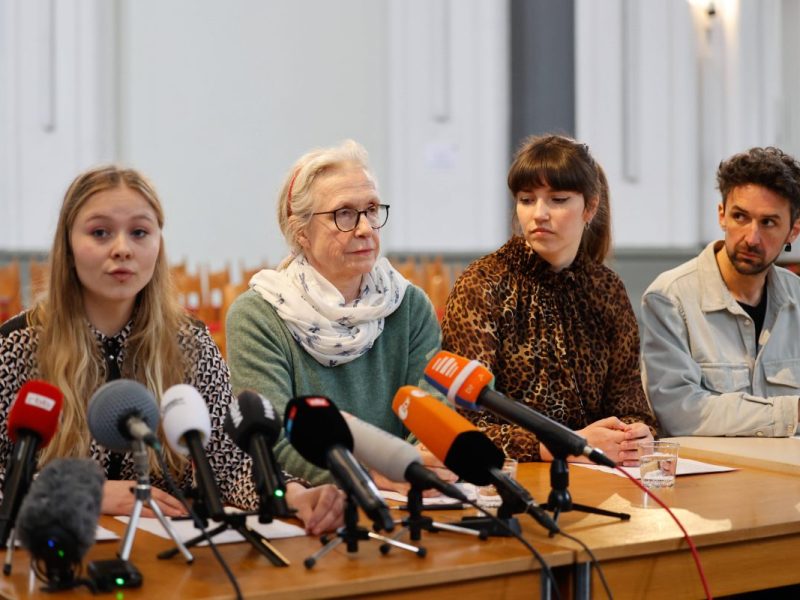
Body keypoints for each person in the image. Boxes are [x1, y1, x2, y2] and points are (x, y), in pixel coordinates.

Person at [0, 165, 343, 535]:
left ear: (158, 244)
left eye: (139, 233)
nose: (122, 249)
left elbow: (228, 465)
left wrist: (291, 494)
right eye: (100, 233)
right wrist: (78, 491)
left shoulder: (190, 343)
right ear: (67, 246)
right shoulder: (19, 345)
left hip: (163, 556)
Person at [226, 140, 448, 487]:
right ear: (301, 232)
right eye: (344, 213)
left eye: (372, 209)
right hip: (317, 500)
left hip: (407, 491)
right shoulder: (258, 315)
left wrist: (411, 465)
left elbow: (431, 410)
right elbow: (275, 438)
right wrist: (365, 476)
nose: (364, 228)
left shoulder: (408, 305)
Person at [441, 134, 656, 466]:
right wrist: (563, 445)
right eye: (527, 200)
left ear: (591, 206)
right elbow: (466, 425)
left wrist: (636, 433)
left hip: (602, 475)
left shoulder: (606, 289)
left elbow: (629, 404)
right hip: (515, 479)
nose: (539, 214)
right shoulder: (483, 284)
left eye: (557, 200)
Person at [641, 147, 800, 437]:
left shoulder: (797, 299)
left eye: (768, 223)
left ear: (793, 231)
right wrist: (793, 412)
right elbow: (681, 414)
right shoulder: (669, 298)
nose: (751, 238)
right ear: (722, 215)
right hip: (709, 479)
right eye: (740, 217)